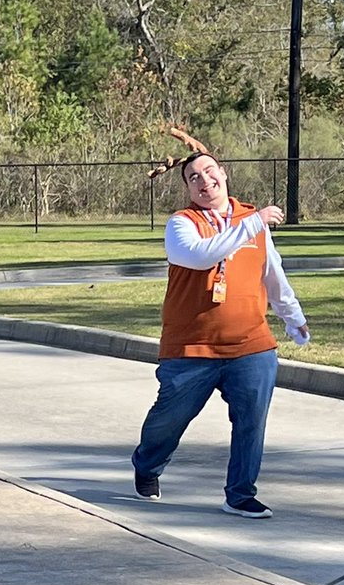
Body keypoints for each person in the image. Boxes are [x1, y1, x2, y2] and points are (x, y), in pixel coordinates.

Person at [132, 131, 310, 519]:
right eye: (194, 177)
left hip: (251, 345)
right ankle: (147, 464)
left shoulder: (251, 222)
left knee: (251, 422)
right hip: (191, 348)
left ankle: (240, 494)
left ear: (224, 173)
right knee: (169, 421)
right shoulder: (182, 224)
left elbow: (272, 274)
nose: (204, 180)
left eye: (210, 171)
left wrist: (293, 317)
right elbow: (200, 256)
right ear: (188, 188)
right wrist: (254, 222)